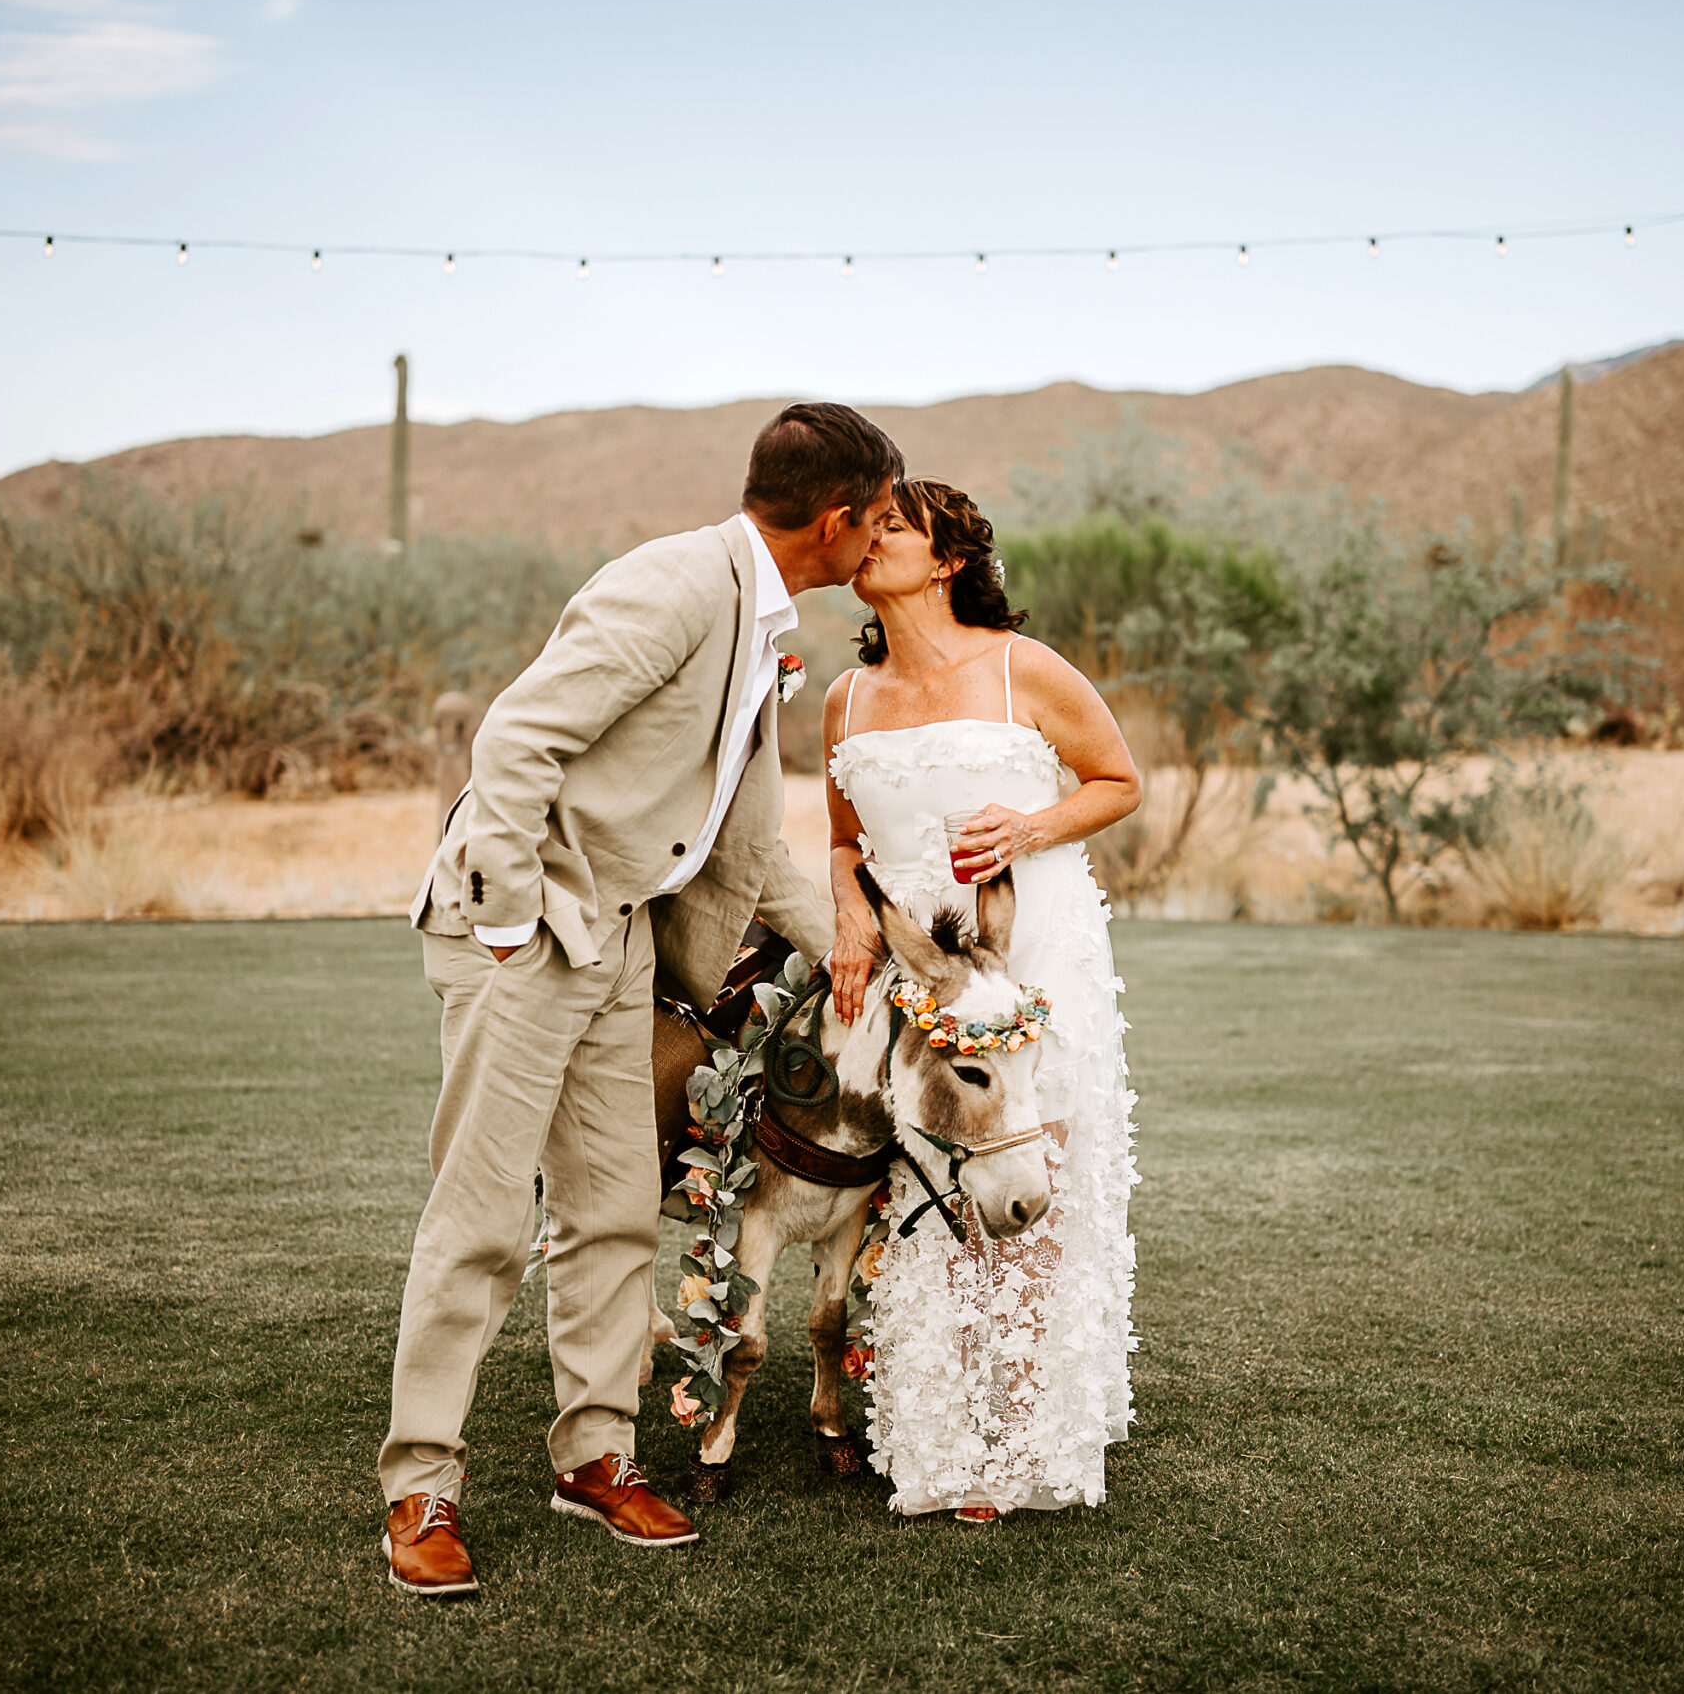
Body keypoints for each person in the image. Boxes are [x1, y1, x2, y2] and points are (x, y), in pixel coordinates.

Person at [382, 403, 903, 1596]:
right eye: (876, 519)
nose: (879, 541)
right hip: (523, 936)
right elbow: (516, 739)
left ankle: (597, 1458)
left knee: (615, 1210)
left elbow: (751, 843)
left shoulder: (763, 621)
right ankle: (421, 1485)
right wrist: (509, 920)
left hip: (616, 943)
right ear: (833, 522)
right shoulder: (674, 586)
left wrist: (869, 959)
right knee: (481, 1221)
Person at [823, 477, 1144, 1522]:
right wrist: (849, 913)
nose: (870, 543)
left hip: (1033, 946)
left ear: (948, 558)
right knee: (927, 1185)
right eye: (863, 527)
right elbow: (840, 837)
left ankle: (1027, 1428)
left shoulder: (1022, 669)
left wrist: (1029, 828)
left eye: (894, 529)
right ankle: (942, 1430)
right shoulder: (843, 698)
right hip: (920, 970)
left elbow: (1116, 780)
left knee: (1026, 1174)